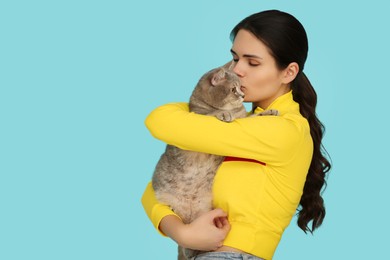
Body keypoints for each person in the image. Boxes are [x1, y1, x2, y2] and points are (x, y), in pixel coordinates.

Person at [141, 9, 331, 260]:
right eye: (235, 58)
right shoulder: (239, 124)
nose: (238, 70)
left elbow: (160, 121)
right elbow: (156, 189)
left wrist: (199, 102)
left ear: (289, 72)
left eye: (253, 62)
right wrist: (183, 234)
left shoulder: (283, 130)